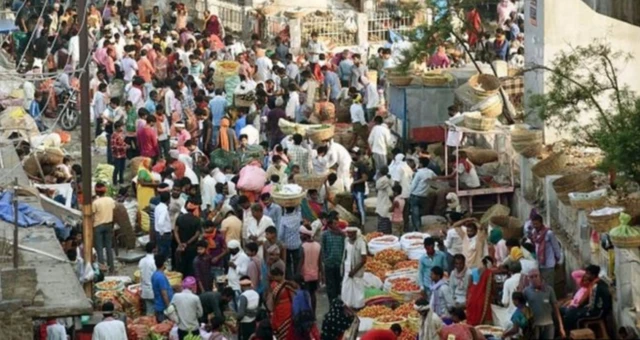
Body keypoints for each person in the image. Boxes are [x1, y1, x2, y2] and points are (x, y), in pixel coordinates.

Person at [563, 265, 612, 333]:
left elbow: (593, 305)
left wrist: (582, 308)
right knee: (571, 311)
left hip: (597, 312)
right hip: (595, 309)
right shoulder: (595, 284)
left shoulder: (596, 286)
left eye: (588, 274)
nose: (585, 275)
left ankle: (574, 333)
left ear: (593, 275)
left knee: (572, 314)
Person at [523, 268, 565, 339]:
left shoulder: (549, 290)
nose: (534, 279)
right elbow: (522, 307)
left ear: (540, 276)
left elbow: (556, 308)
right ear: (528, 279)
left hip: (548, 324)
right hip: (535, 326)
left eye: (536, 276)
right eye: (531, 277)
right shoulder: (526, 291)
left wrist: (561, 326)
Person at [530, 214, 562, 287]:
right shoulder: (534, 233)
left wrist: (558, 260)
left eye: (537, 224)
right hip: (539, 264)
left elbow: (556, 247)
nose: (535, 226)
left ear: (541, 223)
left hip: (549, 264)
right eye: (533, 224)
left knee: (549, 286)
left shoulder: (549, 233)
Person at [341, 227, 367, 309]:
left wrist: (354, 270)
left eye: (351, 233)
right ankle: (347, 305)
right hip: (347, 267)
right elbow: (345, 254)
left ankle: (358, 306)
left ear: (356, 232)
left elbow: (363, 260)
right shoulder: (346, 240)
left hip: (356, 269)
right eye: (348, 233)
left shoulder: (361, 242)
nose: (349, 235)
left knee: (357, 288)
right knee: (346, 287)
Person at [92, 183, 116, 273]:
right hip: (109, 224)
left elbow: (92, 214)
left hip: (98, 226)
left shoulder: (95, 203)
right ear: (105, 191)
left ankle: (102, 269)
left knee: (99, 248)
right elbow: (114, 209)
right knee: (109, 247)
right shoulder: (110, 200)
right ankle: (111, 268)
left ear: (96, 191)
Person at [174, 200, 202, 277]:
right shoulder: (197, 220)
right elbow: (197, 234)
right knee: (190, 266)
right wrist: (187, 243)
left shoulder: (179, 218)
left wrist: (180, 243)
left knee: (181, 265)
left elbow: (175, 231)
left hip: (180, 247)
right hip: (191, 247)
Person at [299, 225, 322, 315]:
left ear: (305, 235)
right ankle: (313, 314)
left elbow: (301, 262)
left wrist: (297, 274)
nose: (300, 236)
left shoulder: (303, 246)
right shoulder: (318, 245)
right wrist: (321, 275)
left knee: (305, 295)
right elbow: (320, 262)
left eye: (301, 234)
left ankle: (306, 314)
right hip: (315, 275)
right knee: (313, 295)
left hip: (305, 275)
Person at [409, 158, 436, 231]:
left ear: (421, 164)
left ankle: (417, 228)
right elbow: (435, 179)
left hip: (415, 195)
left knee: (415, 213)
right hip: (424, 195)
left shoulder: (419, 173)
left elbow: (413, 185)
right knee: (419, 213)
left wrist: (408, 193)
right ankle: (419, 226)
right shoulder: (430, 172)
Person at [280, 206, 302, 279]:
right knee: (297, 262)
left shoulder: (283, 219)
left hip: (287, 245)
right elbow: (299, 209)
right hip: (297, 244)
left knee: (288, 263)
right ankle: (297, 278)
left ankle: (289, 279)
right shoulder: (298, 216)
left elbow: (281, 234)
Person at [151, 255, 174, 322]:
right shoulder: (161, 277)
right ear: (164, 264)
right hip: (162, 308)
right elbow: (164, 294)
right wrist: (169, 307)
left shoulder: (155, 275)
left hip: (158, 305)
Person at [139, 241, 157, 316]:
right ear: (154, 250)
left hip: (145, 289)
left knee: (149, 311)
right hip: (153, 289)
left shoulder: (142, 261)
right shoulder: (154, 262)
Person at [375, 166, 393, 234]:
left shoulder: (380, 181)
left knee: (381, 219)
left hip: (381, 203)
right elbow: (391, 194)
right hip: (386, 203)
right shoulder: (388, 180)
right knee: (386, 219)